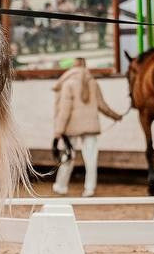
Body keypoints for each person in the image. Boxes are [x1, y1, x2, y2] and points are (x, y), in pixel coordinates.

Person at [51, 57, 122, 197]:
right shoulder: (93, 82)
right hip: (91, 126)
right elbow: (102, 105)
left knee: (68, 157)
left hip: (71, 127)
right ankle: (89, 188)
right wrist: (115, 116)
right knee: (91, 158)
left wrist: (58, 131)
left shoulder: (68, 83)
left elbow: (64, 110)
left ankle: (61, 186)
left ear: (73, 66)